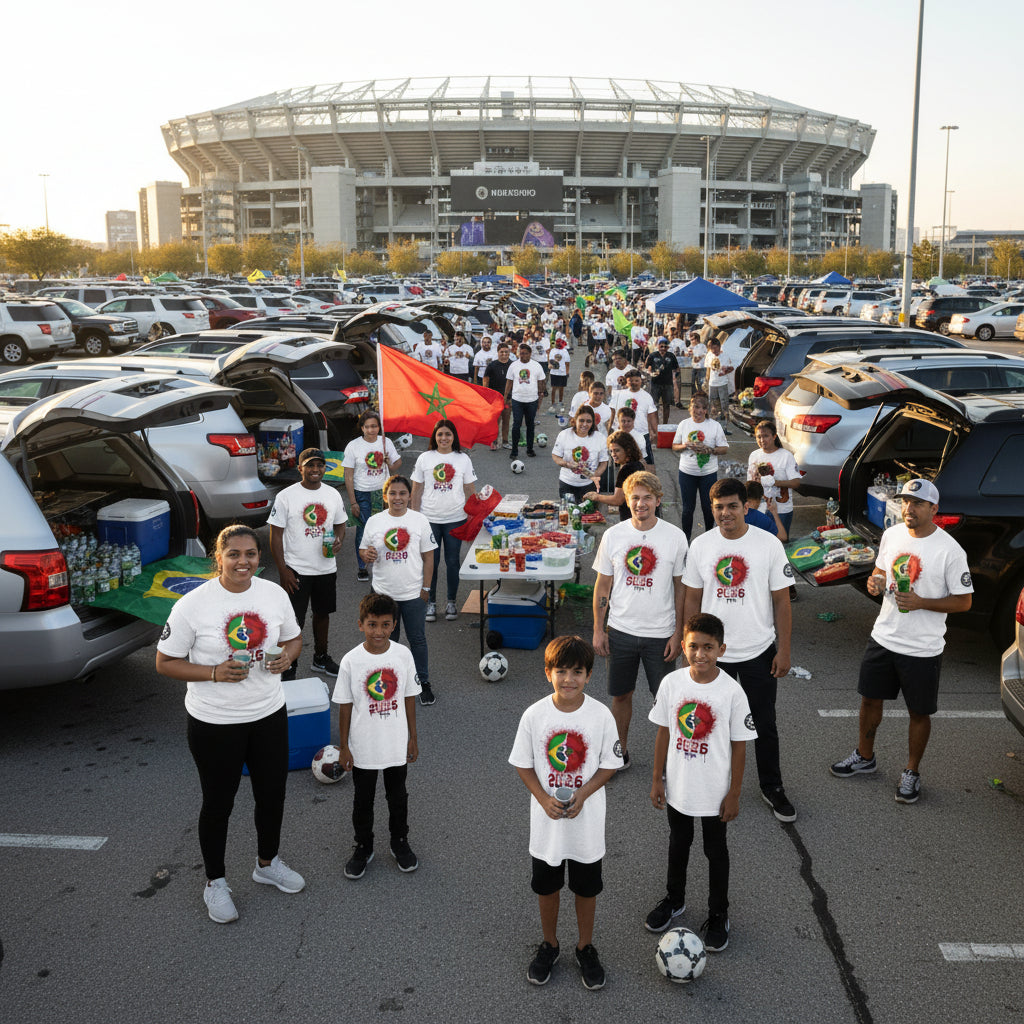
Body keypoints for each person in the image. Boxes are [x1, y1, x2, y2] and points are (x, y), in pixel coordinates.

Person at [155, 525, 305, 924]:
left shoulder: (273, 594)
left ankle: (267, 863)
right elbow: (164, 662)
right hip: (215, 722)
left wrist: (287, 658)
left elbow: (294, 639)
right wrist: (213, 673)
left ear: (260, 557)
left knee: (272, 796)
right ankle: (215, 883)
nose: (244, 562)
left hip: (269, 713)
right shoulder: (193, 605)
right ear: (217, 558)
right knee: (218, 804)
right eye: (234, 554)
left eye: (251, 554)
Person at [829, 479, 973, 804]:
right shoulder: (892, 535)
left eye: (918, 503)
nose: (909, 509)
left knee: (919, 713)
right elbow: (881, 571)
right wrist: (876, 582)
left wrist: (922, 602)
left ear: (934, 509)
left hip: (922, 647)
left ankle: (911, 771)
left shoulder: (950, 551)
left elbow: (964, 602)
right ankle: (865, 756)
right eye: (906, 502)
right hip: (884, 636)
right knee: (869, 699)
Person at [509, 635, 622, 990]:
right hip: (548, 826)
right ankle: (550, 944)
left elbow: (610, 764)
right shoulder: (534, 715)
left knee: (586, 889)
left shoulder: (601, 715)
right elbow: (523, 764)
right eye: (561, 671)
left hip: (586, 826)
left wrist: (585, 793)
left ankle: (585, 947)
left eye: (577, 672)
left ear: (589, 675)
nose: (569, 679)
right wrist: (543, 798)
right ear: (548, 673)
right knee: (547, 887)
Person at [682, 477, 796, 823]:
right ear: (711, 509)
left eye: (732, 505)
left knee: (763, 723)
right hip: (713, 655)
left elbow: (782, 601)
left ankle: (771, 786)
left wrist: (785, 650)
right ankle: (709, 784)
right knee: (708, 722)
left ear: (746, 506)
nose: (725, 513)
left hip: (758, 650)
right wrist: (692, 647)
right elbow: (691, 597)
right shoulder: (701, 546)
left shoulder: (768, 545)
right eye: (718, 507)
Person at [645, 613, 757, 952]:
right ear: (683, 647)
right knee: (678, 844)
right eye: (693, 647)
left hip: (714, 792)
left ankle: (718, 913)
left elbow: (740, 747)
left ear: (721, 649)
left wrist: (735, 792)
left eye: (708, 647)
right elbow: (664, 731)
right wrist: (657, 779)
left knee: (715, 851)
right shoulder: (672, 684)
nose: (700, 654)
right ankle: (674, 899)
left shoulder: (732, 693)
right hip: (679, 787)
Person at [591, 472, 687, 767]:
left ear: (658, 501)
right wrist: (598, 629)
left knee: (668, 702)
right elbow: (602, 585)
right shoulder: (613, 535)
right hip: (620, 631)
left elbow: (682, 589)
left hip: (662, 635)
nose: (640, 503)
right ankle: (620, 753)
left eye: (647, 498)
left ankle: (669, 760)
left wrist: (679, 634)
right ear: (627, 500)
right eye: (635, 497)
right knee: (621, 696)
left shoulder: (675, 537)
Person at [333, 592, 421, 880]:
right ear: (360, 625)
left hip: (395, 742)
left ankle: (399, 841)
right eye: (372, 625)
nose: (379, 631)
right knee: (363, 798)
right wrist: (344, 746)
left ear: (394, 625)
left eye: (385, 625)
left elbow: (409, 697)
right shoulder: (350, 661)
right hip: (363, 746)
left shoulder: (403, 655)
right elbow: (345, 705)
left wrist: (412, 738)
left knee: (398, 796)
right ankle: (363, 846)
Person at [268, 447, 347, 678]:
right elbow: (275, 534)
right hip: (296, 570)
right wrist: (283, 570)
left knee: (323, 615)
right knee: (293, 621)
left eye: (319, 465)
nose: (315, 469)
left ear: (325, 468)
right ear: (300, 468)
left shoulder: (332, 494)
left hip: (326, 567)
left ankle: (320, 658)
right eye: (310, 465)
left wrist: (339, 540)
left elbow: (341, 523)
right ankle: (288, 664)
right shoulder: (286, 496)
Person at [360, 474, 437, 707]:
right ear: (385, 496)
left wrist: (426, 588)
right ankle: (387, 681)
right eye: (392, 493)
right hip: (383, 594)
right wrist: (366, 556)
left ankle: (422, 682)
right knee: (386, 640)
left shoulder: (420, 520)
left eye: (402, 493)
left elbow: (429, 557)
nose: (398, 497)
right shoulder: (374, 521)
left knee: (417, 640)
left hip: (413, 594)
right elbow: (364, 551)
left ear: (409, 495)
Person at [410, 419, 477, 625]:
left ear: (454, 437)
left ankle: (451, 602)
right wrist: (413, 516)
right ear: (434, 437)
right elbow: (416, 489)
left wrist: (474, 514)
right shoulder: (424, 458)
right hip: (429, 519)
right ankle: (430, 602)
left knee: (453, 561)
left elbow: (470, 489)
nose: (444, 438)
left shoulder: (463, 459)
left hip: (455, 519)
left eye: (448, 434)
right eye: (440, 434)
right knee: (431, 562)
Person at [344, 411, 401, 583]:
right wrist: (353, 501)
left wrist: (389, 461)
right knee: (363, 529)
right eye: (367, 426)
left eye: (374, 426)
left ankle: (383, 563)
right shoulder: (353, 446)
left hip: (382, 493)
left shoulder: (386, 442)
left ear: (379, 427)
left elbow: (397, 465)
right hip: (361, 492)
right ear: (362, 428)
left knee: (384, 528)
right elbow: (348, 475)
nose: (371, 430)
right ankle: (363, 566)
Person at [673, 394, 729, 541]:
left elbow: (724, 448)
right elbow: (674, 446)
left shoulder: (714, 426)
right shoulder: (683, 424)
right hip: (686, 472)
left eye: (700, 408)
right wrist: (686, 445)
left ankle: (709, 539)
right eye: (694, 407)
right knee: (687, 510)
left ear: (705, 410)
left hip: (708, 474)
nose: (696, 410)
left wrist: (709, 450)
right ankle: (686, 540)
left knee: (708, 508)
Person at [747, 420, 801, 540]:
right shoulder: (754, 456)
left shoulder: (786, 456)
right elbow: (750, 484)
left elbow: (796, 482)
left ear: (774, 436)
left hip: (781, 509)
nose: (762, 440)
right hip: (759, 508)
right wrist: (755, 481)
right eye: (759, 437)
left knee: (780, 543)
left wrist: (775, 482)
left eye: (766, 436)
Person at [552, 405, 608, 504]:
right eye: (581, 420)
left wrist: (596, 475)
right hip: (567, 483)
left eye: (589, 421)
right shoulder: (564, 435)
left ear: (593, 422)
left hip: (589, 485)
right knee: (569, 514)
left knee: (588, 516)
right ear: (575, 420)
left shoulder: (600, 438)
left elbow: (604, 462)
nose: (585, 424)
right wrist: (567, 464)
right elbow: (556, 456)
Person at [584, 430, 645, 521]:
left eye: (617, 450)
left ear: (628, 450)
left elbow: (617, 500)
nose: (613, 455)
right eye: (611, 451)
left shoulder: (626, 469)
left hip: (631, 519)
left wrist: (596, 496)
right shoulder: (638, 464)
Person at [504, 342, 547, 460]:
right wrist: (506, 396)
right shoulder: (513, 366)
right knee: (516, 424)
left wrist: (540, 396)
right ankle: (514, 450)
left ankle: (529, 449)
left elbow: (541, 381)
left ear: (530, 354)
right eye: (521, 353)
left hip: (532, 399)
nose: (523, 356)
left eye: (525, 354)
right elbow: (509, 382)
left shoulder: (536, 365)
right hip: (517, 399)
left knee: (530, 425)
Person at [609, 370, 659, 463]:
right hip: (622, 434)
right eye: (631, 381)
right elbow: (612, 413)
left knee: (647, 462)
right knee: (623, 463)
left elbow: (652, 416)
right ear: (627, 382)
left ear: (641, 381)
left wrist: (656, 433)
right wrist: (610, 429)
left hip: (642, 433)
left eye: (636, 380)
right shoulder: (619, 395)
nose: (634, 383)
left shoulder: (647, 396)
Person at [482, 341, 513, 450]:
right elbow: (485, 380)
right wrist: (486, 395)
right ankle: (494, 441)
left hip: (508, 399)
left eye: (506, 352)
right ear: (498, 352)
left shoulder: (512, 365)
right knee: (495, 421)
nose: (504, 354)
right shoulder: (492, 365)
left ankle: (505, 441)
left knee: (506, 420)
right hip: (495, 399)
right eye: (502, 352)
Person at [643, 337, 680, 424]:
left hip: (668, 384)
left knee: (666, 405)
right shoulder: (652, 355)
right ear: (657, 346)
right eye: (661, 346)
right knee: (654, 405)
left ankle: (665, 424)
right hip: (655, 383)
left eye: (665, 347)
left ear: (668, 347)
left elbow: (677, 369)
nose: (663, 348)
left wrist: (675, 377)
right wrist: (651, 373)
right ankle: (655, 423)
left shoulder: (671, 356)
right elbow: (645, 367)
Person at [703, 339, 733, 433]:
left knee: (724, 405)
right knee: (712, 404)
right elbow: (708, 369)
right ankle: (710, 426)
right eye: (711, 348)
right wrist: (707, 382)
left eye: (715, 348)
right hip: (712, 383)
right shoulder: (709, 355)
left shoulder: (725, 356)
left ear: (719, 347)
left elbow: (731, 368)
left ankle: (724, 427)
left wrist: (725, 371)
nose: (713, 351)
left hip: (722, 383)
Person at [547, 336, 570, 412]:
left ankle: (557, 403)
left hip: (558, 372)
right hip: (558, 372)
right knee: (557, 388)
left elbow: (567, 363)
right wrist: (567, 372)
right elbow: (567, 363)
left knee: (557, 388)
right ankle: (556, 402)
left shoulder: (560, 351)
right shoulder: (559, 351)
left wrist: (566, 372)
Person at [686, 330, 707, 394]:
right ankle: (694, 395)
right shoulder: (690, 347)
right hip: (693, 367)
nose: (691, 341)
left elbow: (705, 353)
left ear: (697, 339)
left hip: (701, 367)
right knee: (692, 382)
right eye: (691, 340)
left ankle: (702, 395)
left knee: (700, 383)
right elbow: (688, 354)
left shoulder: (702, 346)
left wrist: (699, 357)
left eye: (692, 339)